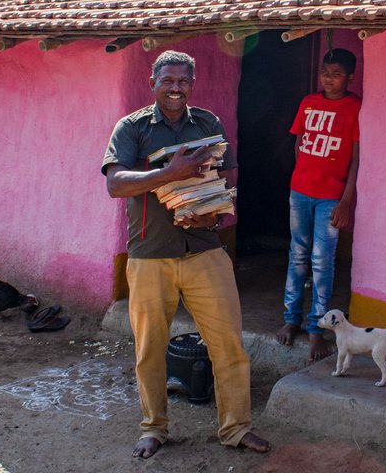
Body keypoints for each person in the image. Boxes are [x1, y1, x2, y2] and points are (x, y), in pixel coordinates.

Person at [102, 50, 270, 459]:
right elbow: (116, 184)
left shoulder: (208, 123)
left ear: (192, 84)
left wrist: (211, 220)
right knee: (149, 348)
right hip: (150, 255)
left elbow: (222, 180)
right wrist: (168, 174)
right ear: (153, 82)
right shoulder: (132, 128)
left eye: (183, 81)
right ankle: (153, 428)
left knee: (228, 344)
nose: (175, 88)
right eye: (168, 80)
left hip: (206, 252)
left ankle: (235, 428)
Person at [275, 48, 361, 362]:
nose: (328, 78)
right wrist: (305, 176)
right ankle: (292, 317)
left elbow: (356, 159)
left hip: (331, 198)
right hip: (300, 191)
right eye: (325, 72)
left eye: (336, 73)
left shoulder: (354, 108)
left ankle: (317, 327)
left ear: (350, 77)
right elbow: (299, 143)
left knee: (322, 261)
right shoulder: (308, 103)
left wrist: (346, 201)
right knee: (297, 254)